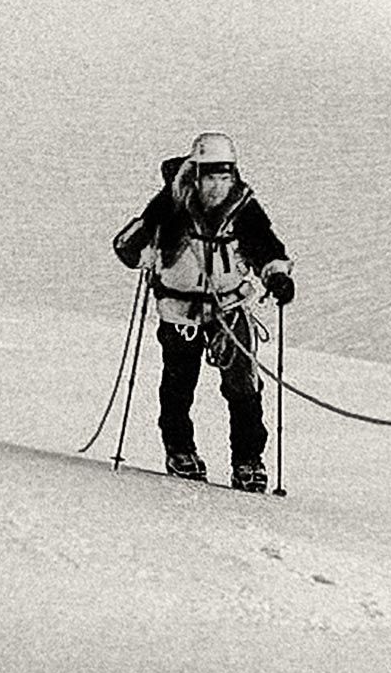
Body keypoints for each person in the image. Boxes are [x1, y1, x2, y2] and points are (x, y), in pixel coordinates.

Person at [112, 132, 295, 491]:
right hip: (179, 309)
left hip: (229, 308)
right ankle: (180, 451)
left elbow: (267, 247)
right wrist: (144, 248)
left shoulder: (243, 207)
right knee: (179, 383)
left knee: (243, 386)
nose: (217, 186)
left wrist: (277, 276)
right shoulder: (171, 205)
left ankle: (248, 461)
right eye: (211, 177)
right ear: (196, 174)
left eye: (224, 177)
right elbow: (128, 244)